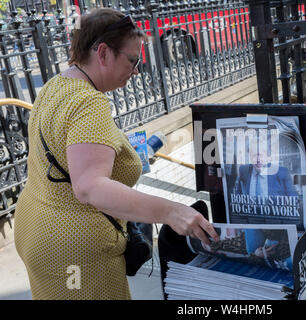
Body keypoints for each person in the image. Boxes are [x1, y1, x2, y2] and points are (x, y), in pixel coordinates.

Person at [13, 8, 218, 300]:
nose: (136, 71)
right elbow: (89, 187)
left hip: (36, 229)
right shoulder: (90, 103)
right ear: (104, 53)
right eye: (132, 60)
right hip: (75, 253)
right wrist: (172, 212)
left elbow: (67, 152)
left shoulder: (56, 86)